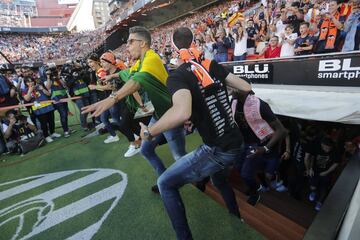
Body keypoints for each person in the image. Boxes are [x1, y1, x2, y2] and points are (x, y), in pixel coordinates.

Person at [138, 27, 252, 240]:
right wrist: (221, 91)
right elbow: (245, 86)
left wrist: (150, 132)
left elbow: (182, 112)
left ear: (174, 53)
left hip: (218, 150)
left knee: (165, 183)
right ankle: (236, 216)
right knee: (219, 181)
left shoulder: (177, 77)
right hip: (237, 141)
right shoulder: (212, 65)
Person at [82, 26, 186, 190]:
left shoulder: (152, 59)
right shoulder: (141, 61)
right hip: (159, 114)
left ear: (143, 43)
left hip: (171, 115)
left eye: (131, 42)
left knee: (179, 156)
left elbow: (136, 81)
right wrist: (113, 75)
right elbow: (130, 72)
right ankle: (165, 179)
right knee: (146, 150)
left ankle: (192, 177)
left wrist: (112, 98)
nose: (127, 46)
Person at [231, 90, 287, 205]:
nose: (231, 90)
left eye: (234, 87)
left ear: (244, 90)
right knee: (237, 167)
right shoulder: (233, 102)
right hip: (241, 143)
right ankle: (254, 186)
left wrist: (265, 148)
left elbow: (281, 130)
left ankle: (255, 191)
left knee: (245, 174)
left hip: (255, 144)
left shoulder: (260, 105)